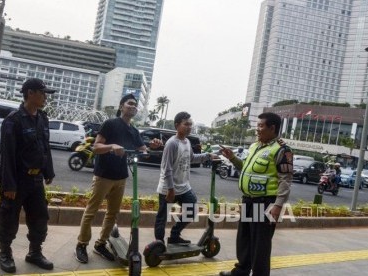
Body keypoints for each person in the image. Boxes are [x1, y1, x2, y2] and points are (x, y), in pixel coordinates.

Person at [75, 94, 163, 264]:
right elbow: (96, 147)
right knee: (91, 212)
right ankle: (81, 244)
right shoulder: (110, 124)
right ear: (121, 106)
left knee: (112, 213)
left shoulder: (134, 130)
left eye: (135, 105)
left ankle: (100, 244)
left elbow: (143, 150)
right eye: (130, 103)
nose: (133, 106)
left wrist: (152, 146)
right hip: (103, 175)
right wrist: (112, 146)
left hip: (121, 177)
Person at [219, 112, 293, 276]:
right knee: (244, 239)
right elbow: (246, 168)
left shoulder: (281, 149)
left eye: (261, 126)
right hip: (249, 201)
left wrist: (278, 205)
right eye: (257, 126)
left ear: (272, 128)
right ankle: (241, 271)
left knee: (261, 245)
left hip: (266, 203)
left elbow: (285, 180)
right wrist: (232, 158)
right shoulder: (255, 146)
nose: (257, 129)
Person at [0, 78, 55, 273]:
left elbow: (45, 147)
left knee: (40, 218)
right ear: (30, 93)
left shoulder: (42, 118)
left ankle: (34, 253)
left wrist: (48, 171)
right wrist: (9, 185)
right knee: (9, 217)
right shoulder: (13, 120)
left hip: (36, 180)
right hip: (18, 180)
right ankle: (5, 253)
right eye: (43, 92)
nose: (46, 97)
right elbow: (7, 155)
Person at [154, 112, 216, 245]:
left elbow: (192, 158)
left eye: (190, 124)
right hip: (168, 188)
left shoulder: (187, 141)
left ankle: (175, 236)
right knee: (162, 217)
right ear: (177, 126)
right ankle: (158, 244)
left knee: (192, 209)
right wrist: (170, 189)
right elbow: (167, 168)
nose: (189, 127)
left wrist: (208, 155)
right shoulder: (172, 143)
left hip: (183, 187)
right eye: (186, 124)